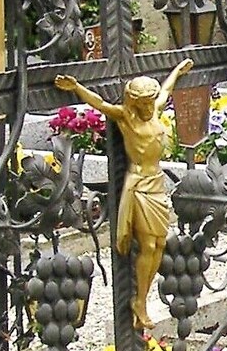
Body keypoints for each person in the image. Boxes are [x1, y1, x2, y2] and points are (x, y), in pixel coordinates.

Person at [53, 59, 194, 330]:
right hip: (138, 183)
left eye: (150, 102)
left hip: (156, 181)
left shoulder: (155, 110)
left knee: (161, 244)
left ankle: (143, 296)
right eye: (142, 103)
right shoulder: (126, 117)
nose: (148, 107)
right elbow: (99, 104)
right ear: (134, 102)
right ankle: (139, 302)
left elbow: (167, 89)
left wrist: (177, 70)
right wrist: (76, 87)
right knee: (149, 245)